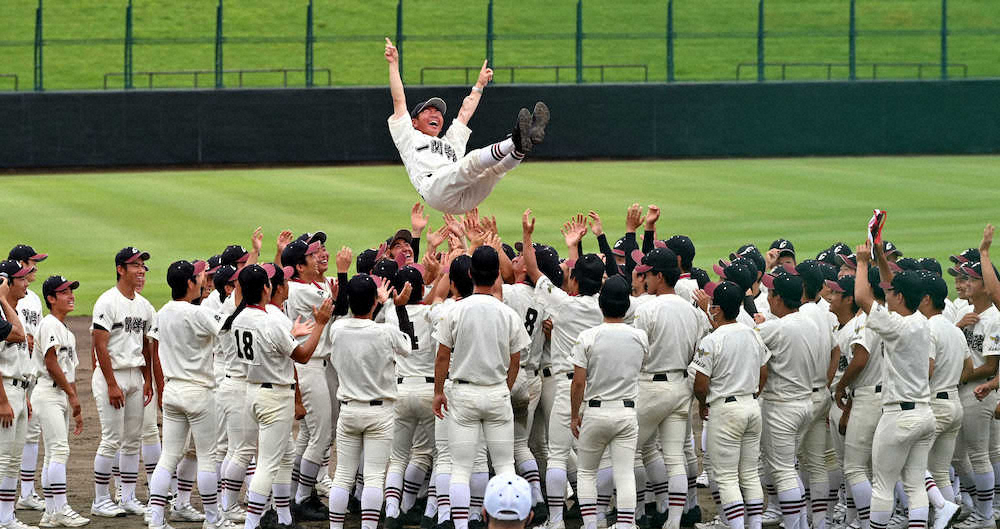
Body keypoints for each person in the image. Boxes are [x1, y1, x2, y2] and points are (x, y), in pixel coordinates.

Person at [384, 38, 549, 214]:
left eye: (438, 112)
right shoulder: (409, 136)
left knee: (495, 171)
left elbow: (464, 113)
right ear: (414, 122)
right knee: (471, 161)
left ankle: (522, 145)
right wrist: (394, 65)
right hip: (434, 189)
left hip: (462, 200)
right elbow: (399, 100)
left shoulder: (450, 143)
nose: (435, 114)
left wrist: (479, 85)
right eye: (428, 111)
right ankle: (515, 141)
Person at [225, 264, 332, 529]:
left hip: (253, 391)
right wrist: (320, 324)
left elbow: (275, 343)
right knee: (268, 465)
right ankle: (252, 524)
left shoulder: (240, 318)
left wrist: (290, 334)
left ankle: (284, 518)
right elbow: (303, 356)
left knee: (285, 454)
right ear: (265, 288)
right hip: (274, 397)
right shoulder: (270, 320)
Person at [432, 245, 530, 529]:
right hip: (497, 392)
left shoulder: (454, 311)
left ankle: (461, 525)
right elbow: (516, 360)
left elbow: (442, 356)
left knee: (460, 469)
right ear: (498, 275)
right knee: (505, 466)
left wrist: (439, 392)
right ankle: (508, 524)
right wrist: (505, 388)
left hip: (463, 393)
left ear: (471, 273)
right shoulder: (507, 313)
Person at [146, 260, 238, 529]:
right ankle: (213, 520)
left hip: (172, 390)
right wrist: (237, 293)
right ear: (188, 283)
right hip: (199, 391)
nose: (203, 281)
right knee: (208, 457)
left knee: (168, 456)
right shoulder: (196, 313)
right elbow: (225, 323)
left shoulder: (162, 312)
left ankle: (155, 519)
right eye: (199, 277)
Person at [853, 241, 935, 529]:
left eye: (891, 293)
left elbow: (862, 296)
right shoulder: (921, 320)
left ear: (900, 297)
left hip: (898, 417)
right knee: (915, 487)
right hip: (925, 415)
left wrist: (863, 262)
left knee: (883, 486)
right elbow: (890, 285)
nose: (887, 295)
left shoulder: (896, 326)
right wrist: (879, 256)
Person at [326, 274, 411, 529]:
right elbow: (406, 345)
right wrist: (394, 305)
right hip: (379, 413)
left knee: (342, 475)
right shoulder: (385, 332)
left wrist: (376, 303)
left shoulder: (337, 329)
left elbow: (357, 325)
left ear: (350, 301)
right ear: (374, 302)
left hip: (349, 411)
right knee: (374, 477)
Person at [569, 275, 648, 529]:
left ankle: (591, 524)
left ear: (601, 304)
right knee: (624, 473)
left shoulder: (587, 337)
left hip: (595, 412)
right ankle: (626, 525)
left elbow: (578, 383)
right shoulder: (640, 337)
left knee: (586, 473)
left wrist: (573, 414)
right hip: (626, 413)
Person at [691, 281, 769, 529]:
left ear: (719, 310)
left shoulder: (711, 341)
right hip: (751, 407)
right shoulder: (752, 333)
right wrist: (754, 393)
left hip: (726, 410)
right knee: (748, 473)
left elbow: (701, 384)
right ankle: (754, 525)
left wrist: (703, 404)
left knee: (725, 477)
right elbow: (764, 370)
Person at [90, 247, 156, 518]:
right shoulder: (107, 301)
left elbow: (147, 344)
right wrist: (111, 384)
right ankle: (100, 499)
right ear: (120, 269)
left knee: (132, 440)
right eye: (135, 265)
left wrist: (148, 379)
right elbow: (99, 346)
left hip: (135, 375)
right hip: (113, 376)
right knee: (111, 439)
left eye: (142, 265)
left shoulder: (144, 305)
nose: (141, 270)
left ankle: (127, 496)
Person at [8, 245, 46, 513]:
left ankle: (28, 492)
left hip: (29, 374)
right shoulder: (8, 298)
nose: (35, 267)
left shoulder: (32, 298)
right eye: (32, 262)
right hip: (10, 374)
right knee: (7, 442)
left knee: (31, 434)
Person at [0, 260, 35, 529]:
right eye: (21, 279)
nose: (27, 282)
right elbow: (19, 335)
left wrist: (25, 398)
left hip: (19, 392)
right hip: (6, 394)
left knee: (13, 460)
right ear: (6, 282)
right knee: (3, 459)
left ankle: (7, 516)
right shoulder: (3, 317)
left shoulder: (11, 312)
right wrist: (2, 401)